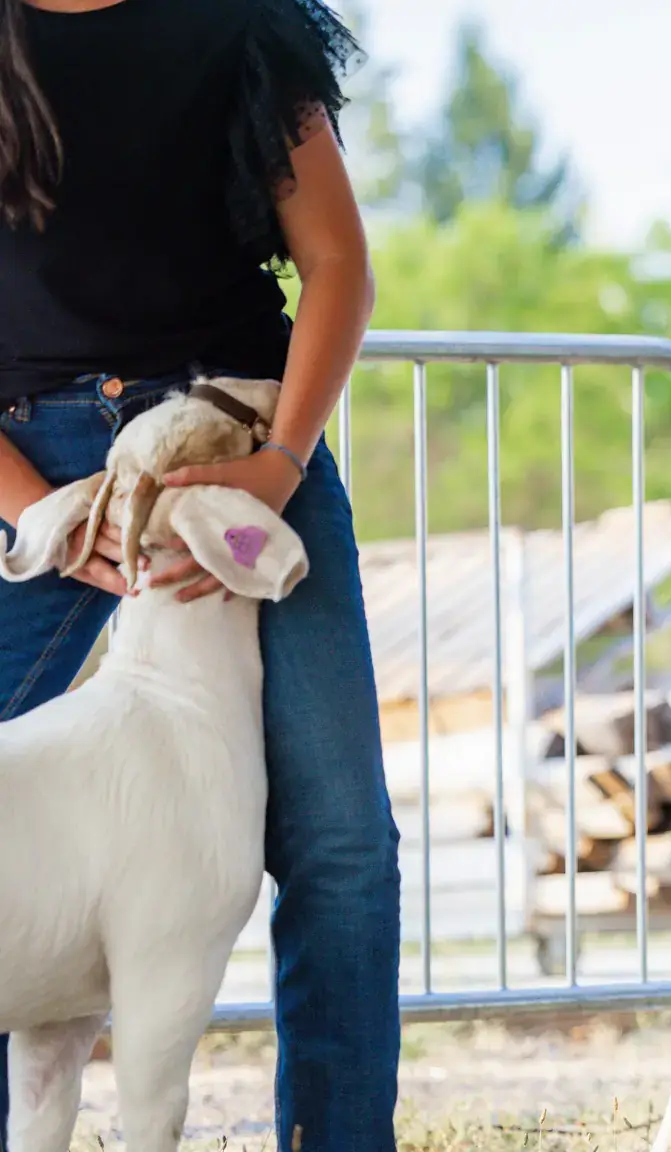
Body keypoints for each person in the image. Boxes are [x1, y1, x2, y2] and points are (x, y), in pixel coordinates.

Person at [0, 1, 399, 1148]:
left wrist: (279, 465)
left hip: (233, 445)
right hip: (31, 463)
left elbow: (337, 261)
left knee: (341, 843)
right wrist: (45, 515)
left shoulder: (242, 22)